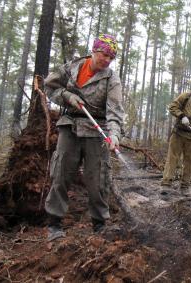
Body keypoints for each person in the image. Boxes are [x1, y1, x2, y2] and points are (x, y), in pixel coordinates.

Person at [44, 34, 124, 241]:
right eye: (104, 54)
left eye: (111, 57)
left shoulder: (111, 79)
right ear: (94, 50)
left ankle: (99, 224)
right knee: (61, 173)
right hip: (69, 125)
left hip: (97, 130)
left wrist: (114, 135)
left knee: (98, 178)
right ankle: (54, 223)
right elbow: (50, 86)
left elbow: (115, 111)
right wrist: (68, 97)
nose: (106, 59)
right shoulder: (72, 67)